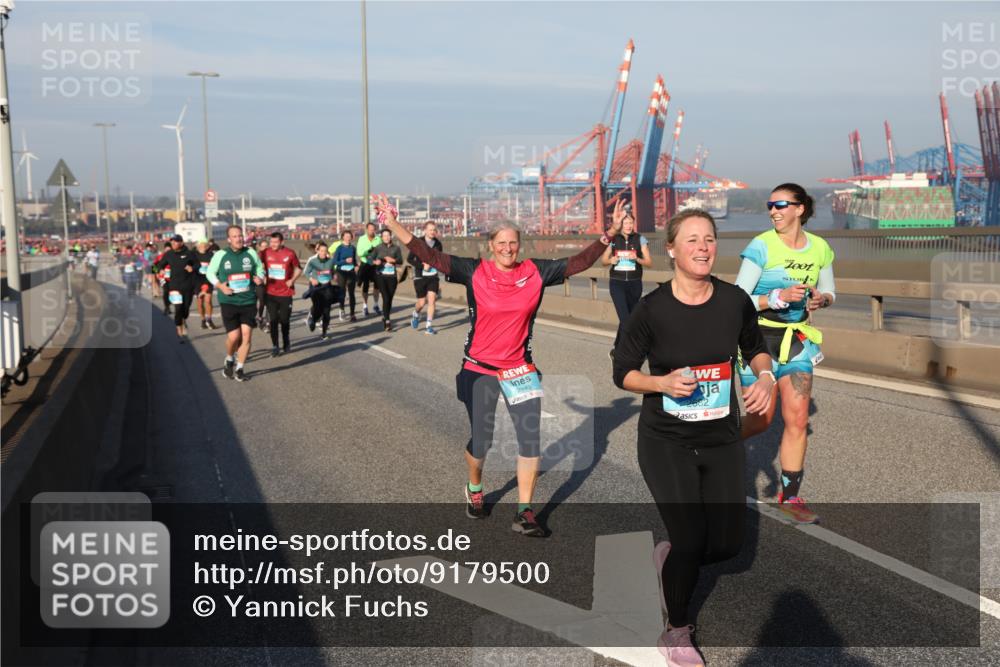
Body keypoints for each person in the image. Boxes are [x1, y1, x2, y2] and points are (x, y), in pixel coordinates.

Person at [376, 193, 622, 537]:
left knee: (529, 440)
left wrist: (608, 234)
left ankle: (525, 511)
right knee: (483, 441)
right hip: (479, 369)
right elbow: (426, 253)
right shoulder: (474, 271)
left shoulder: (535, 271)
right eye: (502, 242)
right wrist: (392, 224)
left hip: (519, 370)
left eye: (513, 243)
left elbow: (578, 263)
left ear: (519, 246)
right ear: (491, 245)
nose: (508, 248)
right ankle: (475, 487)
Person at [612, 209, 774, 666]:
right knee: (688, 540)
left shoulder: (734, 300)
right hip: (666, 440)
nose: (703, 247)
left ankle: (670, 563)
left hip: (720, 435)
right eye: (692, 240)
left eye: (709, 239)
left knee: (727, 546)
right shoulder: (651, 309)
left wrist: (766, 379)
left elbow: (754, 347)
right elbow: (621, 372)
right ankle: (676, 631)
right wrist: (660, 384)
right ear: (672, 250)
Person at [735, 183, 835, 525]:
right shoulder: (761, 247)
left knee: (797, 419)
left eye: (780, 205)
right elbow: (737, 298)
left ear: (800, 209)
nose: (773, 211)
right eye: (770, 205)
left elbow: (830, 288)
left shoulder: (819, 248)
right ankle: (717, 441)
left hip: (796, 341)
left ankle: (790, 497)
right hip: (756, 340)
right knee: (762, 420)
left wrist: (824, 299)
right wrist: (774, 297)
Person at [206, 226, 265, 382]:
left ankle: (240, 368)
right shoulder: (221, 255)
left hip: (248, 300)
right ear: (229, 239)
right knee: (234, 337)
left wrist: (260, 277)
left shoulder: (251, 253)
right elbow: (209, 273)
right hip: (229, 300)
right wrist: (220, 286)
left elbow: (259, 268)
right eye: (235, 236)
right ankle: (230, 357)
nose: (238, 239)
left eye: (240, 236)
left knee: (246, 335)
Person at [602, 202, 651, 358]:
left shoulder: (640, 239)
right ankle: (626, 353)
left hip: (635, 284)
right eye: (626, 222)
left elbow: (649, 263)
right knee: (625, 318)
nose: (629, 225)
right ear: (620, 223)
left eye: (631, 222)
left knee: (629, 319)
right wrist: (611, 261)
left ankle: (616, 351)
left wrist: (637, 258)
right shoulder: (614, 239)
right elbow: (603, 260)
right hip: (617, 283)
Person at [260, 232, 302, 356]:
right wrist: (260, 275)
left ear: (282, 242)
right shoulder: (265, 252)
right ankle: (275, 346)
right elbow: (255, 265)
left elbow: (298, 268)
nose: (273, 244)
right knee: (273, 320)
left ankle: (286, 341)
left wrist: (292, 280)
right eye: (271, 242)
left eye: (276, 242)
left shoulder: (290, 253)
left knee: (284, 320)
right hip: (270, 293)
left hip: (285, 293)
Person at [153, 235, 198, 343]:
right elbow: (159, 265)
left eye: (175, 242)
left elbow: (198, 264)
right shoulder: (169, 254)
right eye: (172, 243)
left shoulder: (189, 253)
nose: (173, 244)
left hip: (187, 285)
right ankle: (179, 332)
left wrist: (192, 268)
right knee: (178, 309)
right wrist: (160, 270)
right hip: (174, 286)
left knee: (185, 309)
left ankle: (183, 319)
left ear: (181, 243)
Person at [408, 221, 443, 335]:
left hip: (433, 276)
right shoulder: (418, 243)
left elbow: (439, 259)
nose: (432, 232)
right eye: (430, 230)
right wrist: (422, 265)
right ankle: (416, 313)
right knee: (422, 303)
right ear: (425, 230)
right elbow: (409, 259)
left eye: (434, 230)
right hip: (420, 276)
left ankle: (429, 326)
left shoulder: (438, 244)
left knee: (432, 300)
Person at [370, 227, 403, 332]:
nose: (386, 237)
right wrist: (375, 262)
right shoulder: (378, 248)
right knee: (385, 297)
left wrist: (392, 260)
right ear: (381, 237)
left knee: (390, 298)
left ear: (391, 236)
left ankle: (385, 316)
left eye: (388, 235)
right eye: (384, 236)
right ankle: (388, 321)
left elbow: (400, 260)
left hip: (392, 276)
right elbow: (370, 258)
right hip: (381, 275)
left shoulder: (396, 248)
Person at [304, 241, 339, 339]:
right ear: (318, 251)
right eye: (322, 251)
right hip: (316, 288)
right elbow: (306, 272)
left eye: (325, 251)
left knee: (327, 311)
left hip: (327, 288)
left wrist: (334, 275)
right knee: (317, 308)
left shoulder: (330, 261)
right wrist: (312, 279)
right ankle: (313, 320)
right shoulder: (313, 261)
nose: (323, 252)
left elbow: (333, 270)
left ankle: (324, 333)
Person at [356, 222, 382, 317]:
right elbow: (359, 253)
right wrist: (368, 250)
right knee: (365, 286)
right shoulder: (361, 239)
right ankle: (365, 306)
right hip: (365, 264)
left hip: (375, 265)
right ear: (366, 229)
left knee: (377, 286)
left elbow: (381, 251)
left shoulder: (378, 239)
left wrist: (378, 259)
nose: (372, 231)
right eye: (370, 229)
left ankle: (375, 305)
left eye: (373, 229)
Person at [332, 229, 359, 322]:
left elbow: (354, 260)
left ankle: (352, 314)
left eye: (349, 236)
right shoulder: (339, 248)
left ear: (351, 237)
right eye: (346, 236)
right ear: (343, 237)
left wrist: (356, 266)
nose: (348, 238)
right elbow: (334, 261)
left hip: (351, 272)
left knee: (352, 293)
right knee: (342, 293)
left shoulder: (353, 248)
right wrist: (345, 261)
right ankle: (342, 309)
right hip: (341, 272)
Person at [194, 239, 218, 330]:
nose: (203, 246)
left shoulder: (211, 254)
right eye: (201, 244)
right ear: (198, 245)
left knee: (208, 300)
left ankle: (209, 319)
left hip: (208, 279)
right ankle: (203, 319)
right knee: (200, 302)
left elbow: (215, 266)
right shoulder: (194, 255)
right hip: (197, 280)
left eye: (205, 245)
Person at [254, 238, 270, 332]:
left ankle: (267, 322)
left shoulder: (271, 255)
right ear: (259, 247)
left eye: (266, 246)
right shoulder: (257, 256)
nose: (264, 248)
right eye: (262, 246)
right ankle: (259, 317)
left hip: (269, 282)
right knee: (262, 301)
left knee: (268, 302)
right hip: (259, 282)